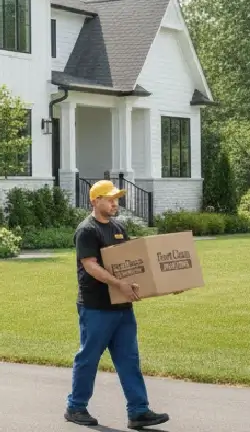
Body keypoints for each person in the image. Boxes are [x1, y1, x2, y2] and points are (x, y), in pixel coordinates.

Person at [65, 180, 169, 430]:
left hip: (122, 307)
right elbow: (91, 266)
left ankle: (138, 411)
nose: (115, 203)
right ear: (94, 201)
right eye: (109, 199)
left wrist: (165, 285)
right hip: (96, 307)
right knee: (89, 358)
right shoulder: (87, 230)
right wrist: (119, 284)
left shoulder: (119, 227)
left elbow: (133, 264)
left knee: (129, 359)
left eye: (116, 199)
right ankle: (76, 407)